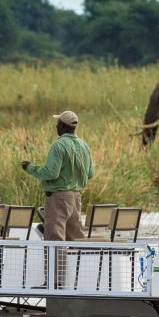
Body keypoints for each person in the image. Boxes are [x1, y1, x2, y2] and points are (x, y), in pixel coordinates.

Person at [21, 110, 95, 287]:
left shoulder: (59, 145)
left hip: (58, 198)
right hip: (76, 198)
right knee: (76, 239)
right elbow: (90, 173)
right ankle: (80, 282)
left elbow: (51, 173)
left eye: (57, 123)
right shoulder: (84, 145)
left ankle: (54, 282)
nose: (56, 126)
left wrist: (30, 168)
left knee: (55, 240)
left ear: (62, 126)